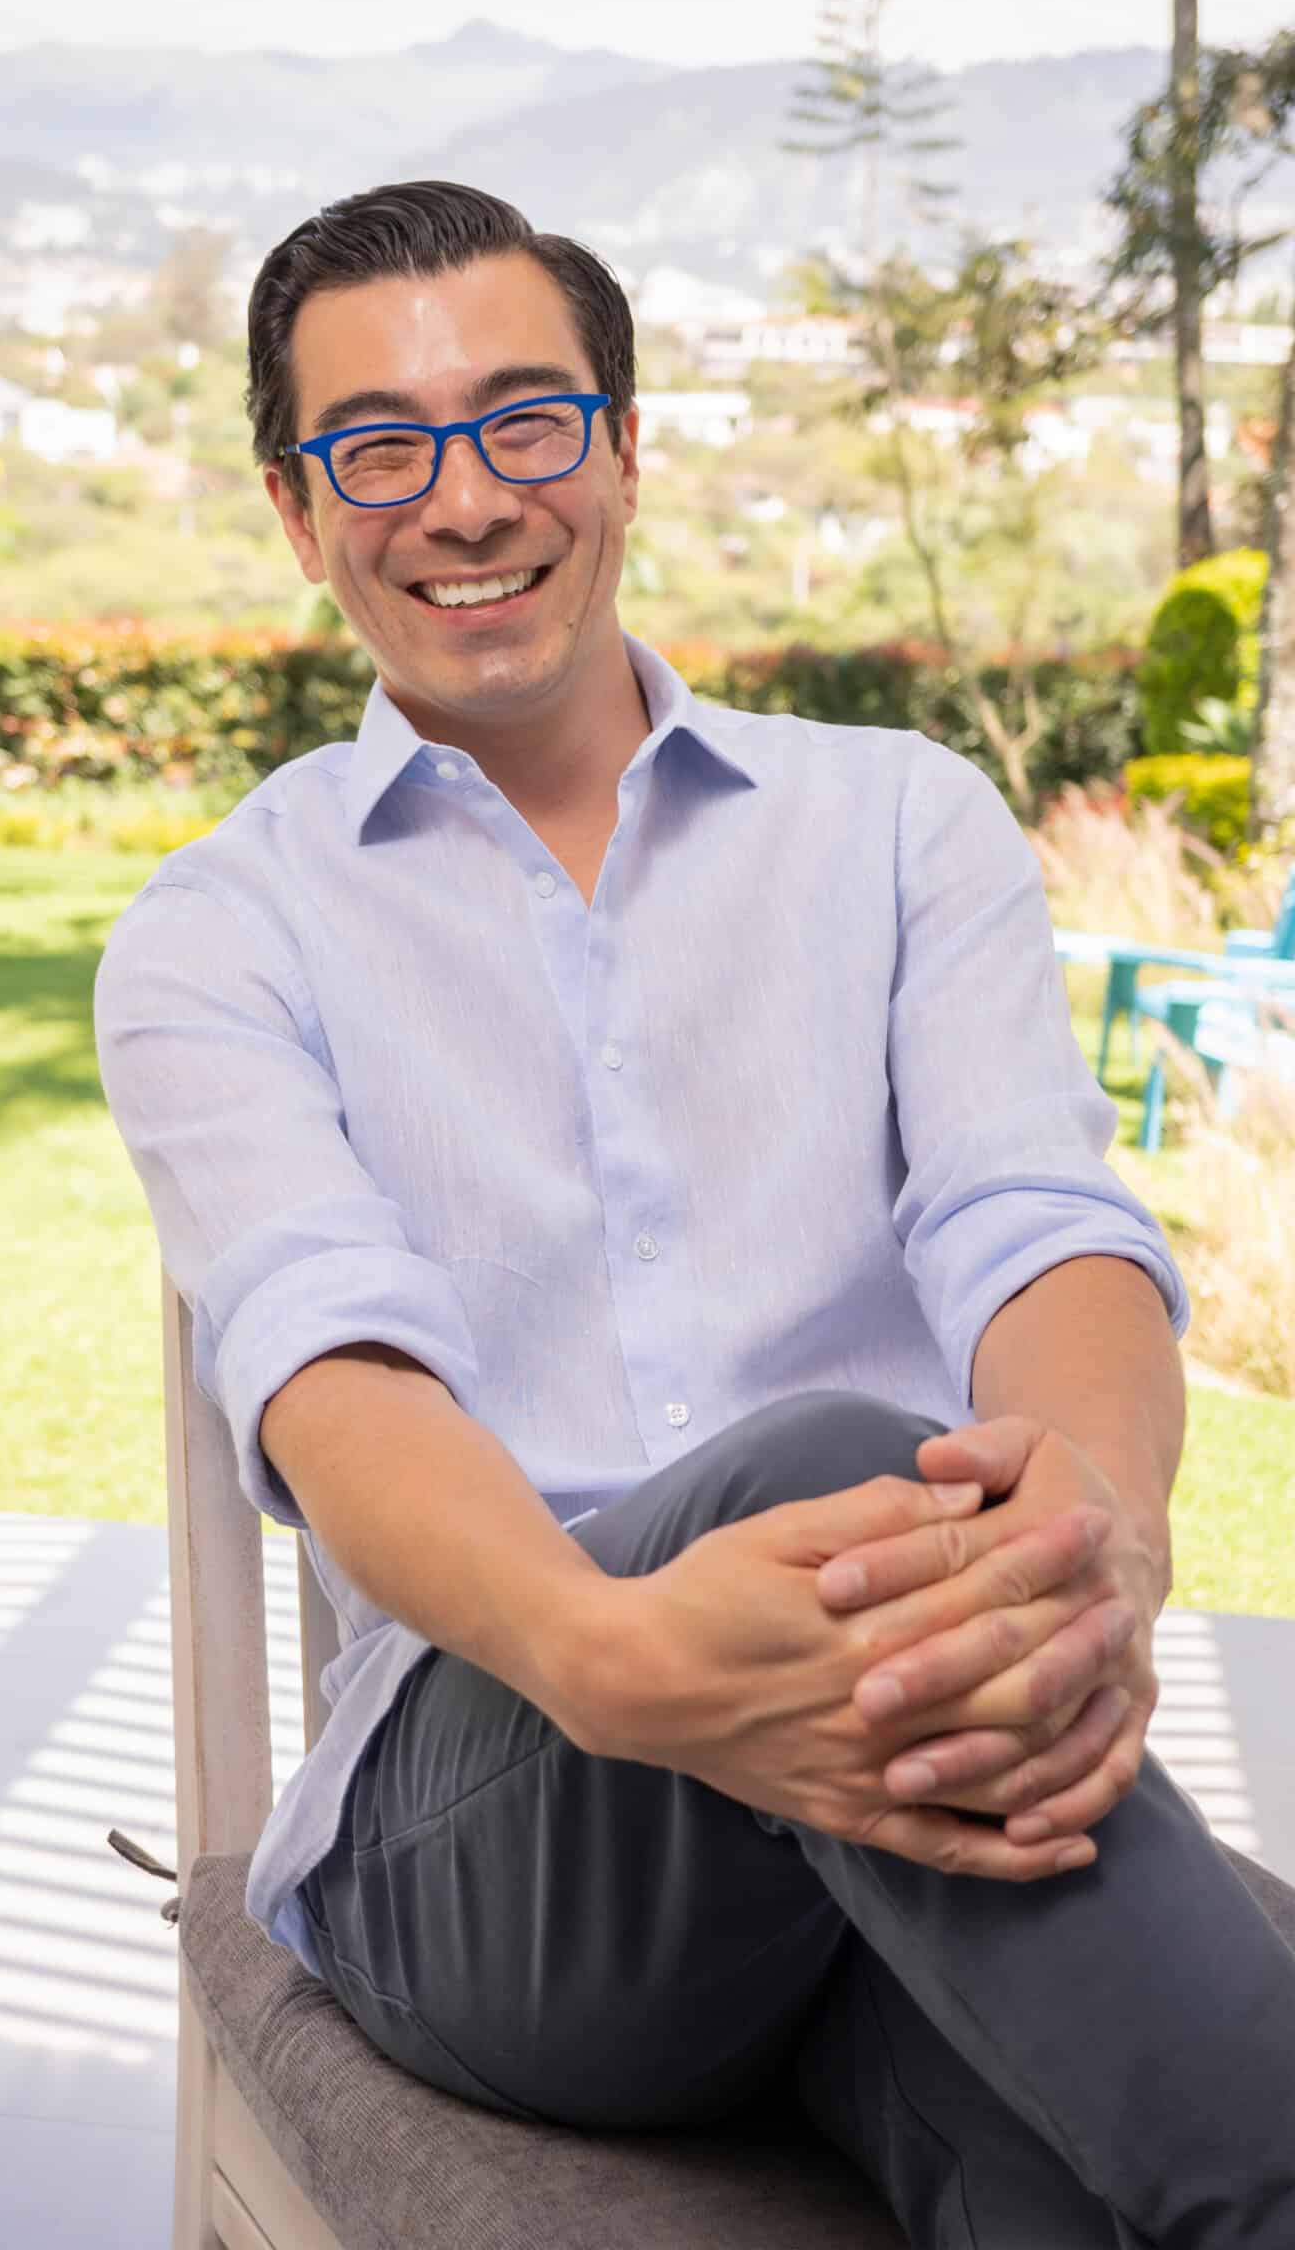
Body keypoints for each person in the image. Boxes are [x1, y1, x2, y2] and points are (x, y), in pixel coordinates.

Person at [93, 180, 1295, 2248]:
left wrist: (1097, 1521)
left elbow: (1038, 1218)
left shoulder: (898, 815)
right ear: (304, 516)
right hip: (499, 1834)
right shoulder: (220, 929)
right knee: (854, 1461)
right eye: (379, 444)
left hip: (893, 1759)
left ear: (625, 450)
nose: (463, 496)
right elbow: (331, 1367)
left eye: (526, 420)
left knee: (1075, 2175)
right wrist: (614, 1655)